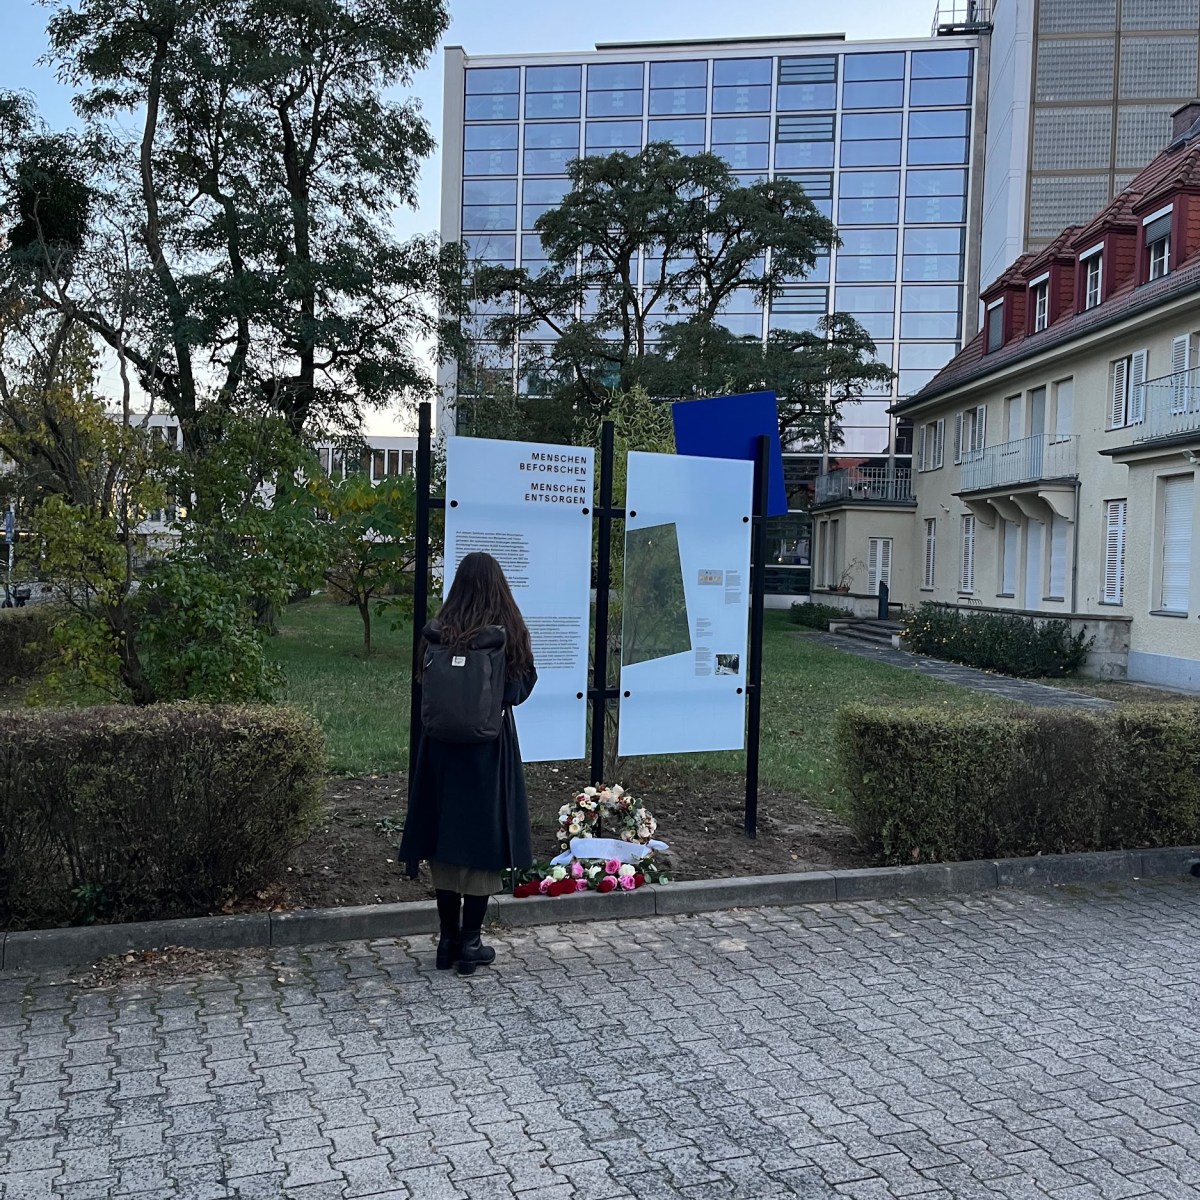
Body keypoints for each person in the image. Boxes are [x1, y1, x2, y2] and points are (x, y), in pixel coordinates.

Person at [400, 552, 537, 975]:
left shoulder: (437, 632)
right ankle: (472, 943)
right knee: (482, 844)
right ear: (498, 585)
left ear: (457, 585)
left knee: (445, 840)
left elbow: (421, 683)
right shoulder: (506, 630)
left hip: (439, 751)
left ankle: (446, 942)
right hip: (486, 751)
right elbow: (519, 688)